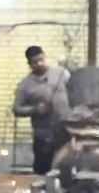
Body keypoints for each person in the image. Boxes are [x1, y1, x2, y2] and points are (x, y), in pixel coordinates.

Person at [12, 45, 71, 174]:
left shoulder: (61, 74)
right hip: (44, 137)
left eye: (41, 60)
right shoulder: (25, 85)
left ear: (44, 57)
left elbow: (74, 91)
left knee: (66, 170)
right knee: (43, 172)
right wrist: (35, 109)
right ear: (29, 64)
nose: (39, 64)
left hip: (66, 132)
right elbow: (17, 109)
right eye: (35, 62)